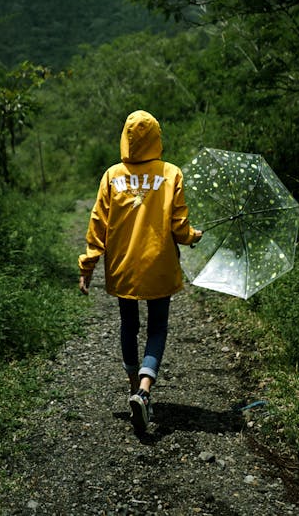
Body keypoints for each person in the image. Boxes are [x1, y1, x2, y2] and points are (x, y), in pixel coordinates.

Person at [78, 110, 202, 432]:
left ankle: (134, 386)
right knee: (158, 328)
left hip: (123, 267)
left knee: (129, 325)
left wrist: (88, 265)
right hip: (158, 265)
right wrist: (191, 237)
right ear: (156, 137)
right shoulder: (171, 173)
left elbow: (98, 224)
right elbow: (179, 227)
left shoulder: (111, 175)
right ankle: (145, 392)